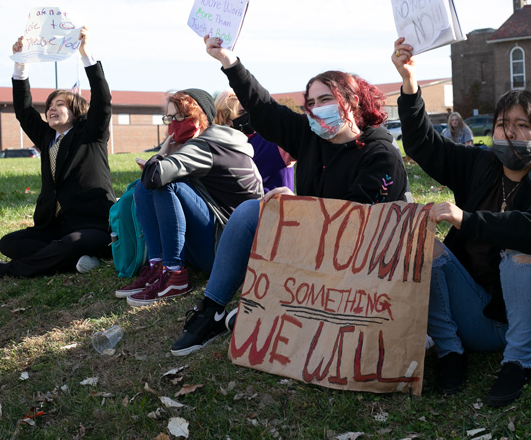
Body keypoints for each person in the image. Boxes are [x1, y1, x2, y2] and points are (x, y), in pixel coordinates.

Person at [169, 34, 411, 356]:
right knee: (247, 213)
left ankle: (273, 309)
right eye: (310, 103)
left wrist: (297, 206)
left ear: (352, 102)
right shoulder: (309, 136)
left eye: (325, 100)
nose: (315, 110)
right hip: (312, 248)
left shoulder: (381, 154)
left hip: (360, 265)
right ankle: (211, 309)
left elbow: (354, 223)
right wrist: (230, 63)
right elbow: (264, 109)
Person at [392, 37, 531, 406]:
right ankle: (450, 351)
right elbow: (423, 145)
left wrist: (468, 220)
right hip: (479, 318)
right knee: (420, 242)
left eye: (521, 125)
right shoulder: (479, 164)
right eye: (501, 124)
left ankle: (518, 362)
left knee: (521, 247)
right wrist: (410, 84)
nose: (508, 133)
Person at [0, 28, 116, 278]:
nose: (51, 109)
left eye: (60, 105)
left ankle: (12, 271)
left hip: (93, 225)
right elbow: (23, 109)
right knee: (8, 243)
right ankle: (74, 262)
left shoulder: (91, 134)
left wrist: (86, 55)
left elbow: (102, 101)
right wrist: (21, 63)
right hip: (54, 227)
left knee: (70, 243)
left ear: (76, 111)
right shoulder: (46, 137)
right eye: (49, 106)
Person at [116, 88, 264, 307]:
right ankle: (158, 267)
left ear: (201, 118)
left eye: (181, 117)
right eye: (170, 117)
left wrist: (163, 150)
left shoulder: (206, 146)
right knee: (143, 186)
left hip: (230, 253)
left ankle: (174, 273)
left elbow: (156, 177)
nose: (173, 124)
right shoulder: (213, 143)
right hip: (222, 242)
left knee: (165, 185)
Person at [214, 90, 295, 193]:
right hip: (240, 208)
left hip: (278, 206)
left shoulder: (274, 140)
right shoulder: (223, 151)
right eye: (241, 113)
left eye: (250, 110)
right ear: (226, 121)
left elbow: (308, 143)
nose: (249, 116)